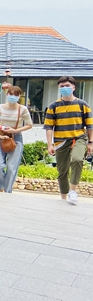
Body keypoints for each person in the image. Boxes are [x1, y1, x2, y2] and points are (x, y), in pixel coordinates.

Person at [43, 76, 93, 205]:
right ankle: (63, 198)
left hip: (79, 138)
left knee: (77, 159)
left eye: (67, 86)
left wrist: (91, 142)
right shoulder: (53, 106)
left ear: (73, 87)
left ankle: (73, 190)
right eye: (62, 86)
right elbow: (49, 127)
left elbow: (90, 125)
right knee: (62, 170)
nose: (64, 88)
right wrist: (50, 144)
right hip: (61, 140)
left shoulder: (83, 104)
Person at [0, 85, 33, 193]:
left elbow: (29, 124)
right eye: (11, 94)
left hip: (16, 138)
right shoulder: (0, 107)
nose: (13, 96)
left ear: (19, 96)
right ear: (7, 94)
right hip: (2, 137)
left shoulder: (22, 109)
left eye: (16, 95)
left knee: (12, 167)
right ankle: (0, 187)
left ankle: (7, 192)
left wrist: (15, 130)